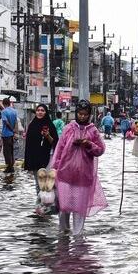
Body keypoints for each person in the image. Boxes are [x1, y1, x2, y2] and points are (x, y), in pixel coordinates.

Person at [52, 100, 107, 235]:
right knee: (64, 207)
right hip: (65, 173)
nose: (82, 116)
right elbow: (59, 149)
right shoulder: (69, 128)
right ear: (76, 113)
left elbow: (100, 150)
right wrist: (55, 168)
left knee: (79, 209)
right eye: (80, 114)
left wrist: (88, 144)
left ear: (89, 115)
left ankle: (78, 236)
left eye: (85, 114)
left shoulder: (93, 131)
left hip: (83, 176)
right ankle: (64, 233)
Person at [24, 104, 59, 194]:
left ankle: (50, 202)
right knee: (38, 183)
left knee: (48, 182)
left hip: (48, 157)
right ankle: (40, 203)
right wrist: (28, 162)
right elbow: (28, 145)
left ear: (46, 112)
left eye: (42, 110)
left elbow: (56, 143)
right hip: (35, 158)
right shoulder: (32, 125)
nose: (40, 112)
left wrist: (47, 135)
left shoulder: (50, 125)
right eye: (38, 110)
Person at [0, 97, 18, 173]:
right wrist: (15, 131)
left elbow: (6, 122)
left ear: (4, 104)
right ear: (10, 103)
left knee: (6, 152)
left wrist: (11, 129)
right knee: (11, 151)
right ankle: (11, 166)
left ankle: (9, 167)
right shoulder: (14, 111)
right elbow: (16, 122)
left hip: (6, 134)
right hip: (12, 134)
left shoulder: (4, 111)